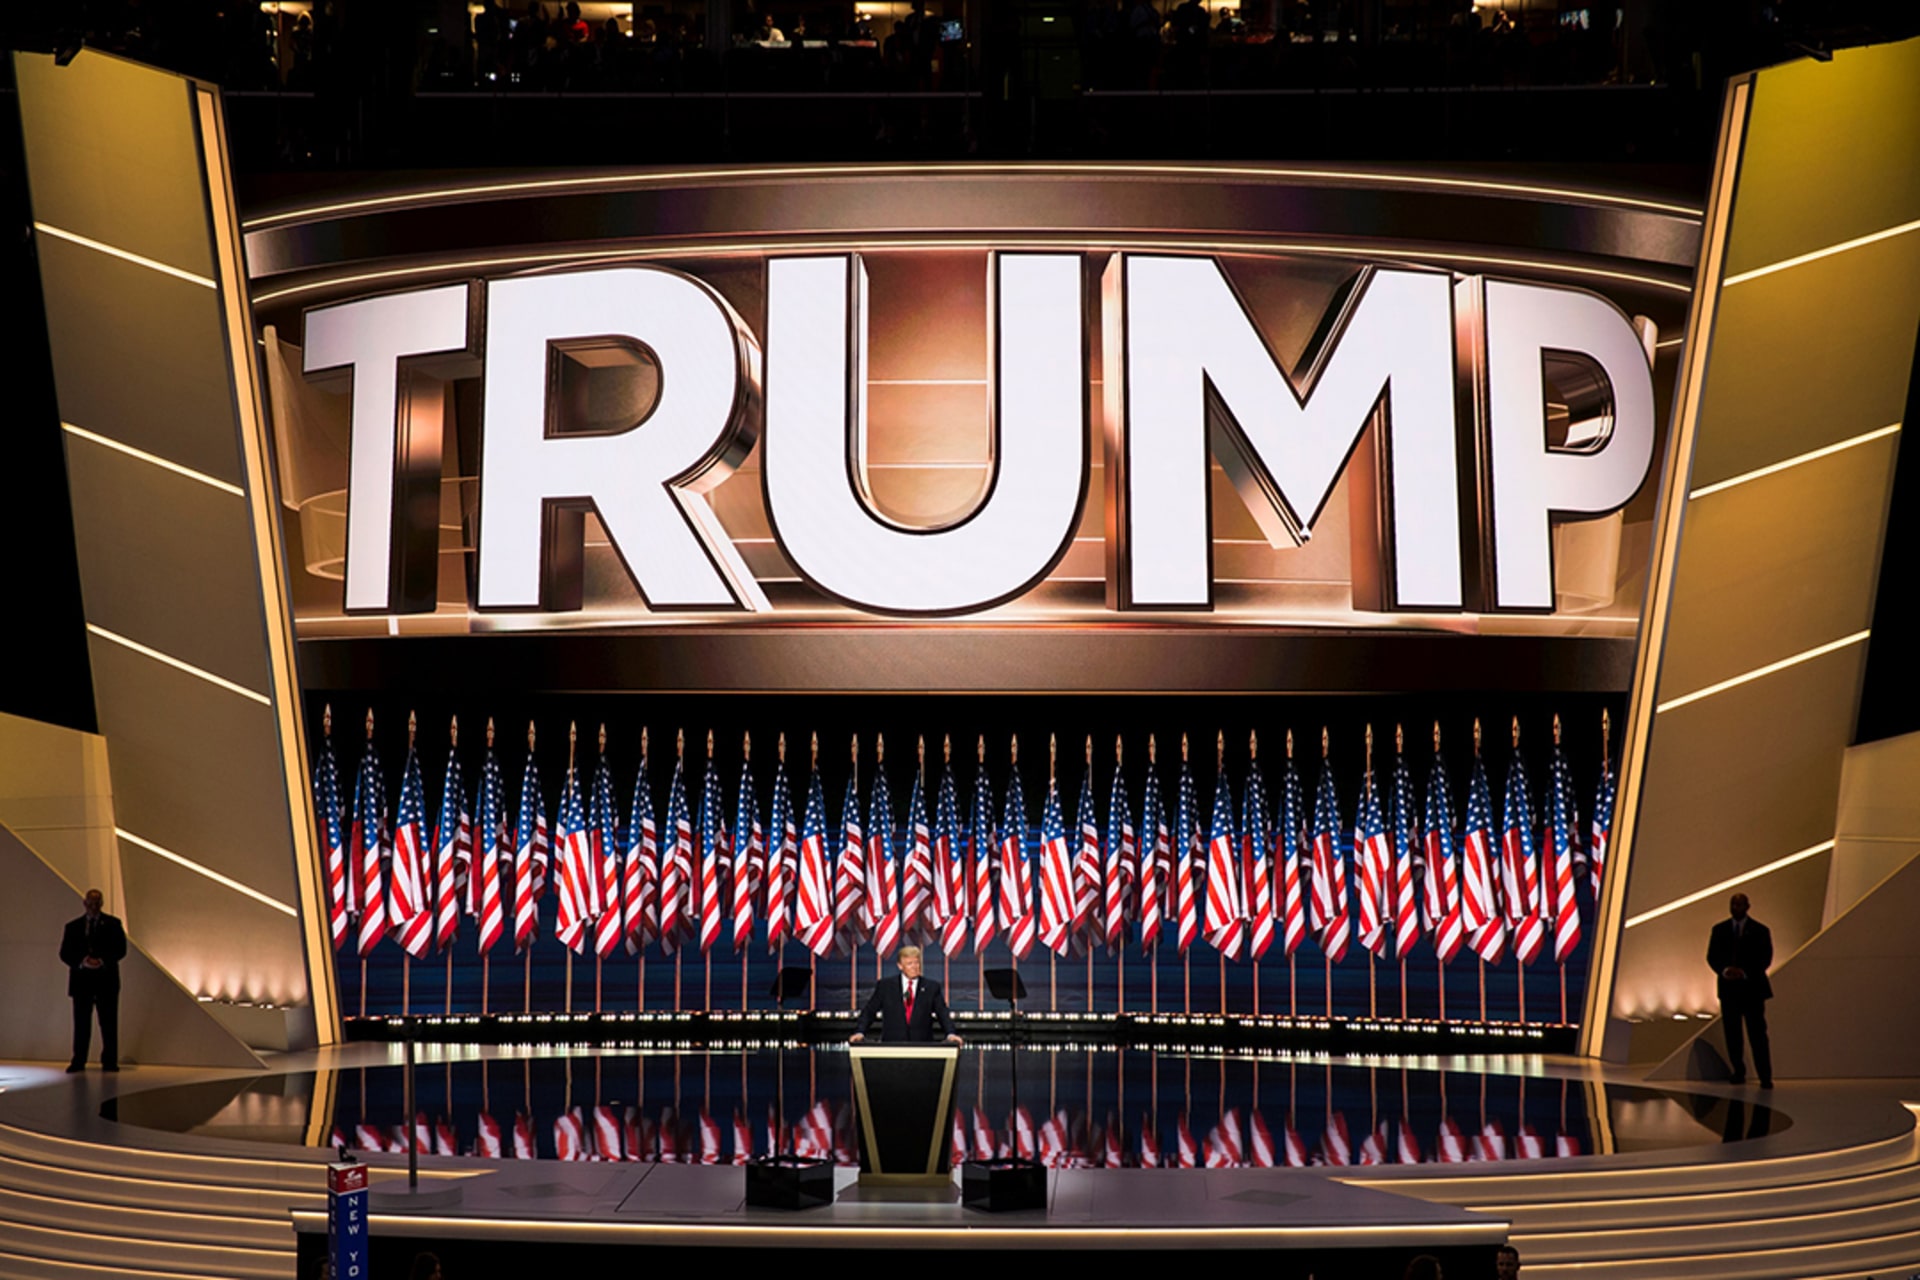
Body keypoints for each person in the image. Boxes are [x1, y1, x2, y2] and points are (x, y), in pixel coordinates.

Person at [1707, 892, 1774, 1088]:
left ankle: (1765, 1076)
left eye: (1739, 904)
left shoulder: (1760, 930)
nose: (1736, 908)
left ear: (1747, 906)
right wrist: (1725, 970)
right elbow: (1712, 956)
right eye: (1733, 904)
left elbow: (1765, 958)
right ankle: (1738, 1071)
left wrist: (1744, 972)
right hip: (1729, 991)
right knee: (1732, 1034)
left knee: (1757, 1034)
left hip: (1752, 990)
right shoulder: (1719, 930)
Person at [60, 888, 128, 1073]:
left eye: (96, 903)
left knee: (108, 1023)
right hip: (82, 983)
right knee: (81, 1024)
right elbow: (65, 953)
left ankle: (110, 1061)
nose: (93, 906)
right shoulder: (73, 927)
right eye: (90, 903)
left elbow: (121, 949)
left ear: (101, 904)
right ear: (85, 903)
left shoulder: (113, 924)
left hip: (106, 982)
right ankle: (79, 1060)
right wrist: (83, 961)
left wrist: (102, 961)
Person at [849, 945, 961, 1044]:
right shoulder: (886, 986)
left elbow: (942, 1013)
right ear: (900, 966)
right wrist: (860, 1032)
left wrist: (951, 1033)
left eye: (917, 963)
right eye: (909, 963)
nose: (914, 967)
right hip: (892, 1045)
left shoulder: (931, 987)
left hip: (922, 1046)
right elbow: (869, 1011)